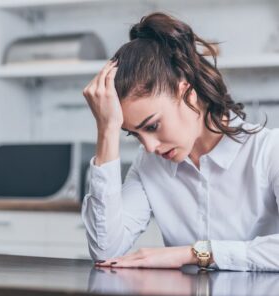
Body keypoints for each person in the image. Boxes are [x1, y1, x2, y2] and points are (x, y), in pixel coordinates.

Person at [81, 12, 279, 271]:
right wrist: (107, 129)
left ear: (187, 92)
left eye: (152, 126)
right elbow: (105, 250)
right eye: (135, 133)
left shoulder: (269, 151)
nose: (149, 146)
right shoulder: (148, 164)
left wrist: (196, 253)